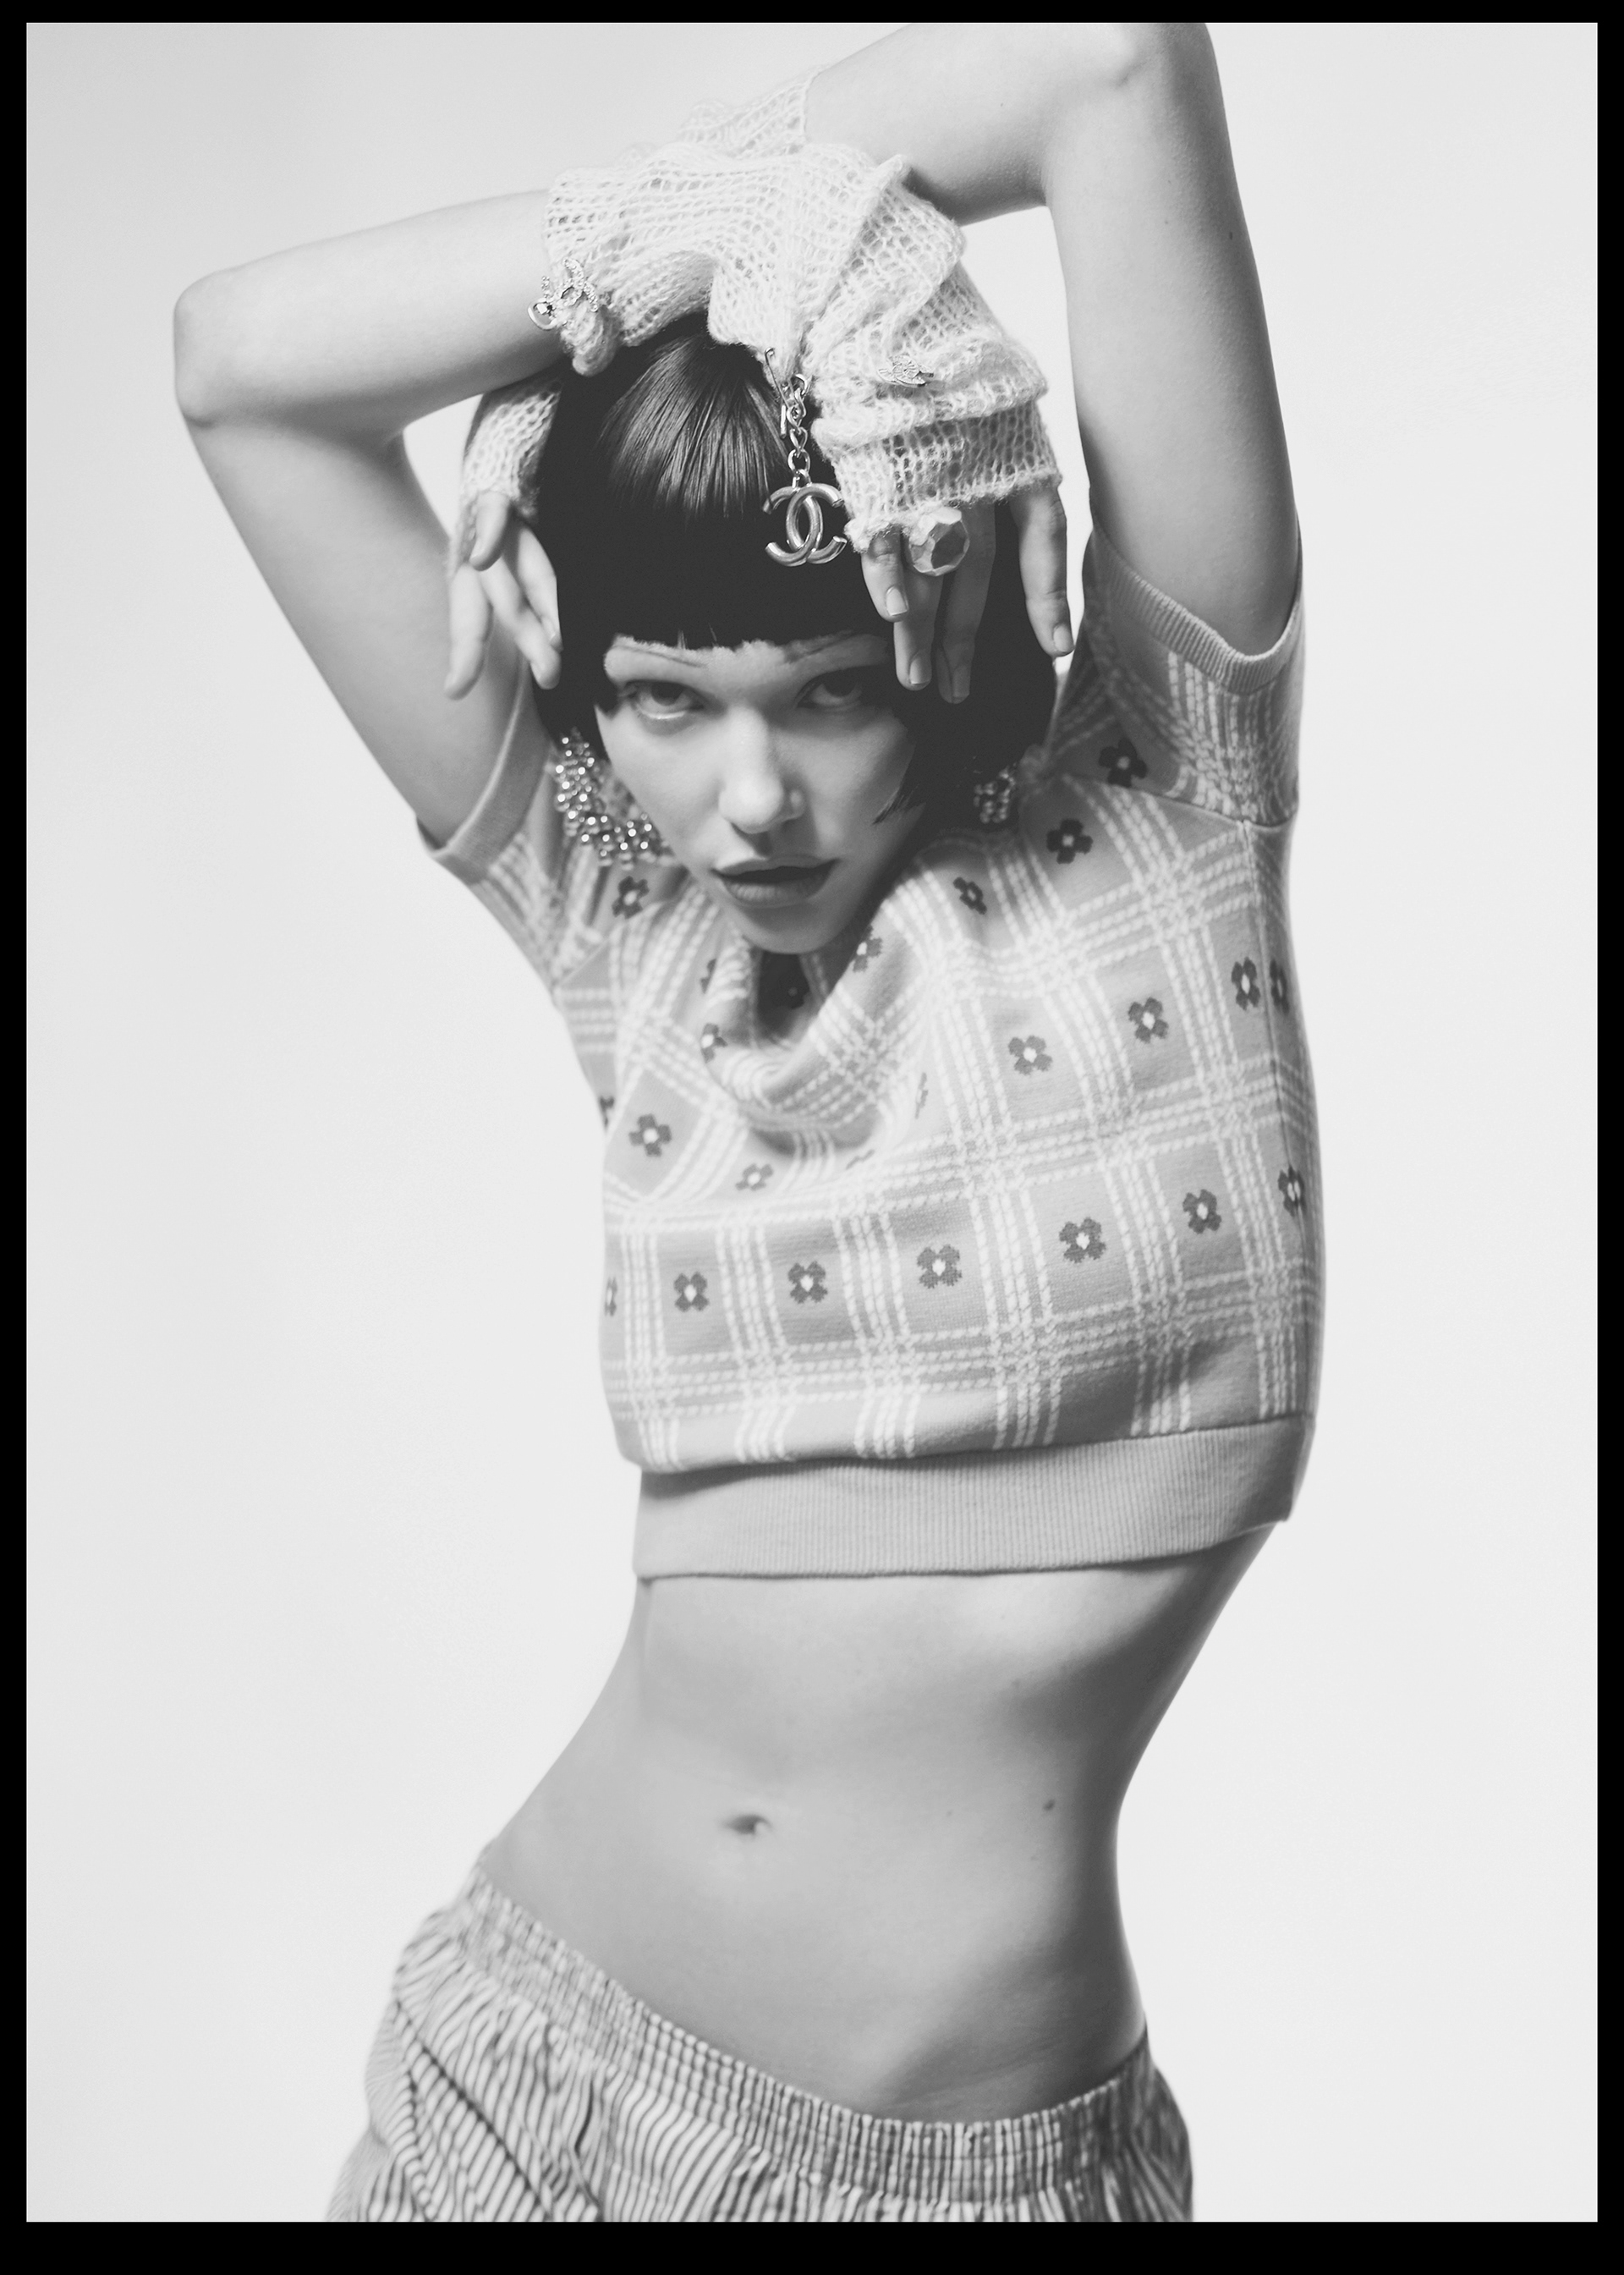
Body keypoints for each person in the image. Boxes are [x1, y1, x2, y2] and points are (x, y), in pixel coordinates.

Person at [175, 22, 1318, 2223]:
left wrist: (838, 257)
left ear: (945, 613)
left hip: (963, 2180)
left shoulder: (1161, 812)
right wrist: (707, 234)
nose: (750, 795)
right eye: (667, 700)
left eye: (827, 689)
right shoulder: (629, 915)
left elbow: (1106, 64)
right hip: (527, 2085)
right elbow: (237, 367)